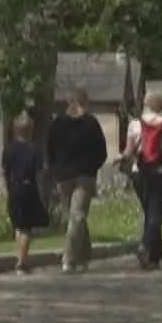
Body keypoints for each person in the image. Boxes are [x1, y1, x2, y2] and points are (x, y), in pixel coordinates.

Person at [45, 87, 107, 273]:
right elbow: (50, 149)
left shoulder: (90, 123)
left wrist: (90, 168)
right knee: (73, 217)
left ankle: (69, 258)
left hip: (83, 176)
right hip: (64, 177)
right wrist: (55, 169)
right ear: (84, 102)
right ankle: (84, 256)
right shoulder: (58, 124)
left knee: (77, 215)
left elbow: (101, 151)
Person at [120, 89, 162, 270]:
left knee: (151, 214)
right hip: (161, 172)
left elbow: (129, 153)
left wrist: (121, 159)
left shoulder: (134, 124)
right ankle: (145, 247)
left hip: (140, 172)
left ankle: (154, 258)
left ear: (145, 104)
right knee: (156, 215)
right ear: (160, 105)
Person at [1, 115, 49, 274]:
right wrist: (42, 192)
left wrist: (7, 188)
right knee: (26, 228)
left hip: (14, 188)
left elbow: (4, 172)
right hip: (29, 188)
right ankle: (21, 263)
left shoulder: (8, 149)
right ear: (30, 131)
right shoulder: (34, 150)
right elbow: (39, 174)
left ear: (14, 130)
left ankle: (21, 258)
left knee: (18, 226)